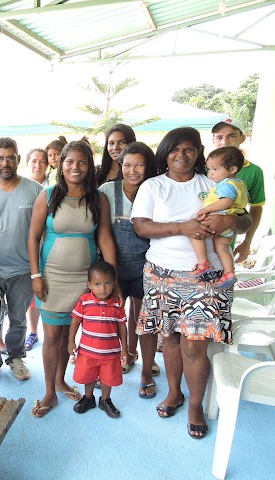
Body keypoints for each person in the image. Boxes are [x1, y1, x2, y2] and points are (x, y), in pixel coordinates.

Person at [131, 127, 251, 439]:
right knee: (170, 339)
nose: (182, 155)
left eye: (189, 149)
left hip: (207, 276)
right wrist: (181, 227)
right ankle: (174, 393)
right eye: (175, 149)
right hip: (162, 274)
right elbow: (141, 227)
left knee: (195, 347)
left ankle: (195, 405)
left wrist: (230, 221)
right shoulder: (153, 186)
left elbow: (245, 217)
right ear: (165, 152)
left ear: (198, 152)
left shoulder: (211, 182)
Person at [28, 140, 119, 418]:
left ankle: (61, 380)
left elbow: (104, 237)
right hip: (52, 278)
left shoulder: (98, 198)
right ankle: (49, 392)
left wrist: (111, 283)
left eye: (82, 162)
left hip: (85, 280)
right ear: (61, 164)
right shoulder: (48, 195)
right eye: (70, 161)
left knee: (72, 334)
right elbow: (32, 237)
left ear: (89, 166)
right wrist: (36, 275)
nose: (75, 167)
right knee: (52, 336)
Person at [0, 137, 43, 383]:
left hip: (23, 270)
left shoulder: (35, 190)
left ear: (18, 160)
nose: (5, 163)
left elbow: (42, 231)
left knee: (17, 317)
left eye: (10, 157)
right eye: (0, 158)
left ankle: (15, 357)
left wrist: (38, 271)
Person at [98, 142, 159, 399]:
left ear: (149, 166)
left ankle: (146, 371)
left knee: (147, 324)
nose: (133, 171)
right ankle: (113, 365)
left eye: (139, 164)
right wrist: (111, 275)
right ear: (120, 166)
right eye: (127, 165)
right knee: (111, 321)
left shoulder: (157, 188)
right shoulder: (106, 191)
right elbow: (102, 234)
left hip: (149, 266)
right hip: (114, 267)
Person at [68, 260, 127, 418]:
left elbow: (122, 327)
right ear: (89, 284)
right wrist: (70, 340)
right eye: (97, 284)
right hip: (87, 352)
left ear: (114, 284)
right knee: (89, 376)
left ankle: (105, 400)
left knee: (108, 378)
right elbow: (75, 320)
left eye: (107, 284)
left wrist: (125, 350)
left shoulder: (117, 305)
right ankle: (88, 398)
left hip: (111, 353)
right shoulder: (84, 301)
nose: (102, 289)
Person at [190, 146, 248, 289]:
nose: (211, 174)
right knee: (222, 249)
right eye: (209, 169)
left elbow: (226, 201)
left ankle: (203, 263)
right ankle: (229, 273)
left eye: (215, 169)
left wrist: (206, 209)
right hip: (230, 222)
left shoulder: (226, 184)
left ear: (233, 169)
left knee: (194, 232)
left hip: (220, 216)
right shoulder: (240, 183)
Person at [211, 118, 266, 262]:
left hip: (225, 243)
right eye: (219, 137)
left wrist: (247, 242)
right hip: (193, 244)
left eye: (231, 136)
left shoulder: (254, 171)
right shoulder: (203, 167)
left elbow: (256, 207)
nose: (224, 141)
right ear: (213, 140)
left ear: (242, 138)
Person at [24, 148, 50, 351]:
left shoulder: (55, 188)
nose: (38, 165)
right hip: (28, 248)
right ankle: (33, 332)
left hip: (49, 249)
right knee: (33, 296)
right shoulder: (22, 187)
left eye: (42, 161)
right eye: (33, 161)